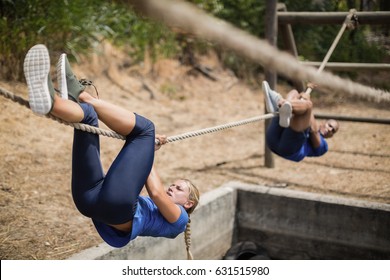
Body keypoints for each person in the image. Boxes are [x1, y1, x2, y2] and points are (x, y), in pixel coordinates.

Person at [23, 44, 200, 259]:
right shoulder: (161, 211)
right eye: (174, 184)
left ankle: (81, 94)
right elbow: (143, 172)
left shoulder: (180, 220)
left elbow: (156, 192)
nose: (173, 187)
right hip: (89, 201)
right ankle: (51, 102)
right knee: (87, 118)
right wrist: (147, 151)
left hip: (114, 207)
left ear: (188, 203)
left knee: (146, 130)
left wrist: (148, 147)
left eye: (179, 188)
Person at [262, 81, 339, 162]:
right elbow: (301, 98)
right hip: (272, 138)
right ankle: (283, 105)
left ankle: (279, 102)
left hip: (287, 149)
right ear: (323, 123)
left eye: (333, 131)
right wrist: (305, 91)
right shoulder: (308, 120)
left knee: (308, 106)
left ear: (331, 136)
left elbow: (314, 131)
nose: (330, 130)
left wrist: (307, 99)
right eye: (330, 125)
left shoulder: (324, 147)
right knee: (295, 92)